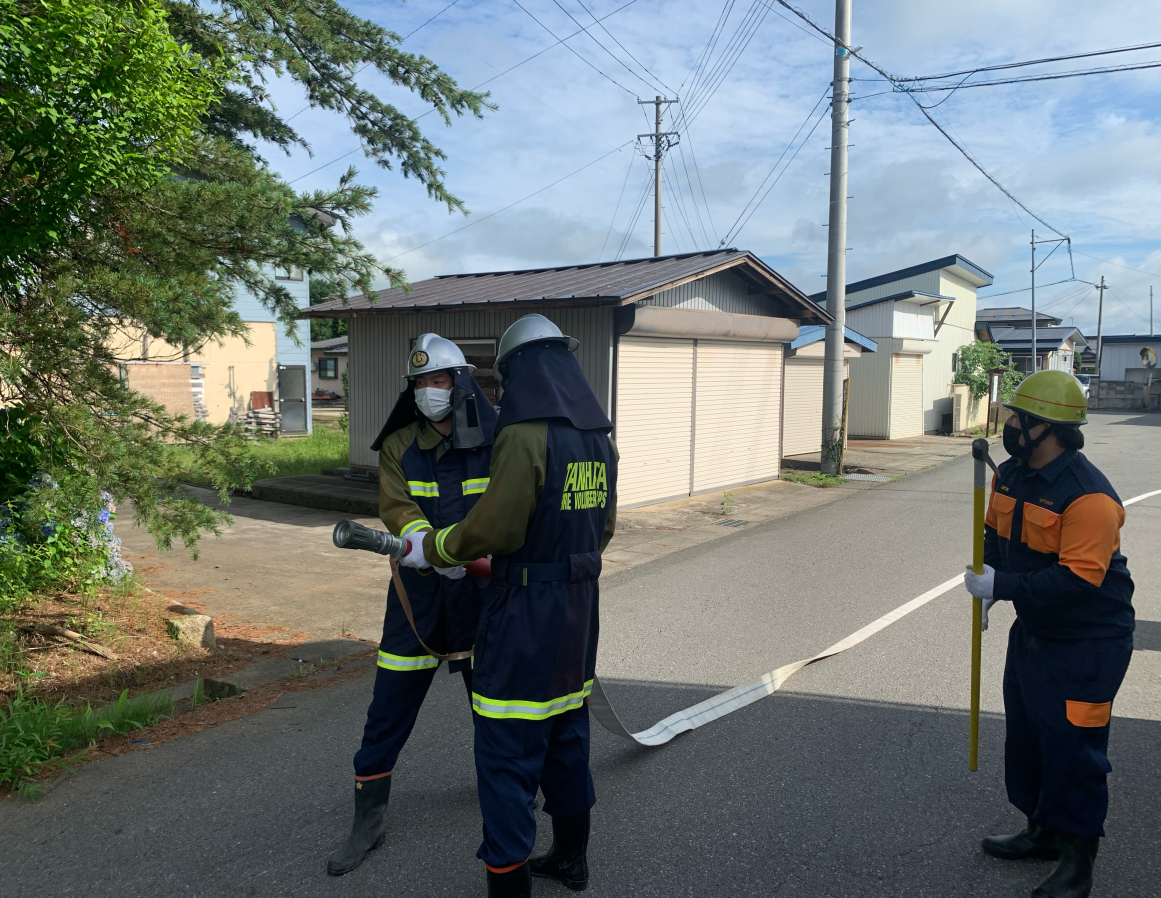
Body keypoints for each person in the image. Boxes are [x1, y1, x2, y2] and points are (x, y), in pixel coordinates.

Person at [399, 314, 618, 898]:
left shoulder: (525, 434)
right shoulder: (598, 435)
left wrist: (436, 547)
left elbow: (493, 527)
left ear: (516, 370)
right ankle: (573, 859)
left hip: (523, 612)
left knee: (506, 753)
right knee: (566, 730)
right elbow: (606, 528)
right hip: (579, 609)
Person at [327, 334, 498, 876]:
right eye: (421, 382)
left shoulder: (500, 441)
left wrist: (467, 550)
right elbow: (396, 505)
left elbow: (509, 504)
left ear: (462, 382)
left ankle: (510, 791)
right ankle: (368, 820)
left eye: (440, 380)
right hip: (416, 594)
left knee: (494, 703)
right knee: (388, 707)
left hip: (482, 591)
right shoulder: (400, 446)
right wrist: (428, 546)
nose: (430, 391)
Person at [965, 370, 1135, 898]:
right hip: (1036, 629)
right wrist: (992, 585)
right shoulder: (1009, 475)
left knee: (1075, 748)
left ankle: (1077, 860)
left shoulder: (1090, 498)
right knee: (1030, 735)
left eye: (1018, 419)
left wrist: (1006, 585)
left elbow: (1078, 581)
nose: (1009, 426)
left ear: (1048, 431)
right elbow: (993, 533)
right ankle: (1041, 830)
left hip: (1089, 642)